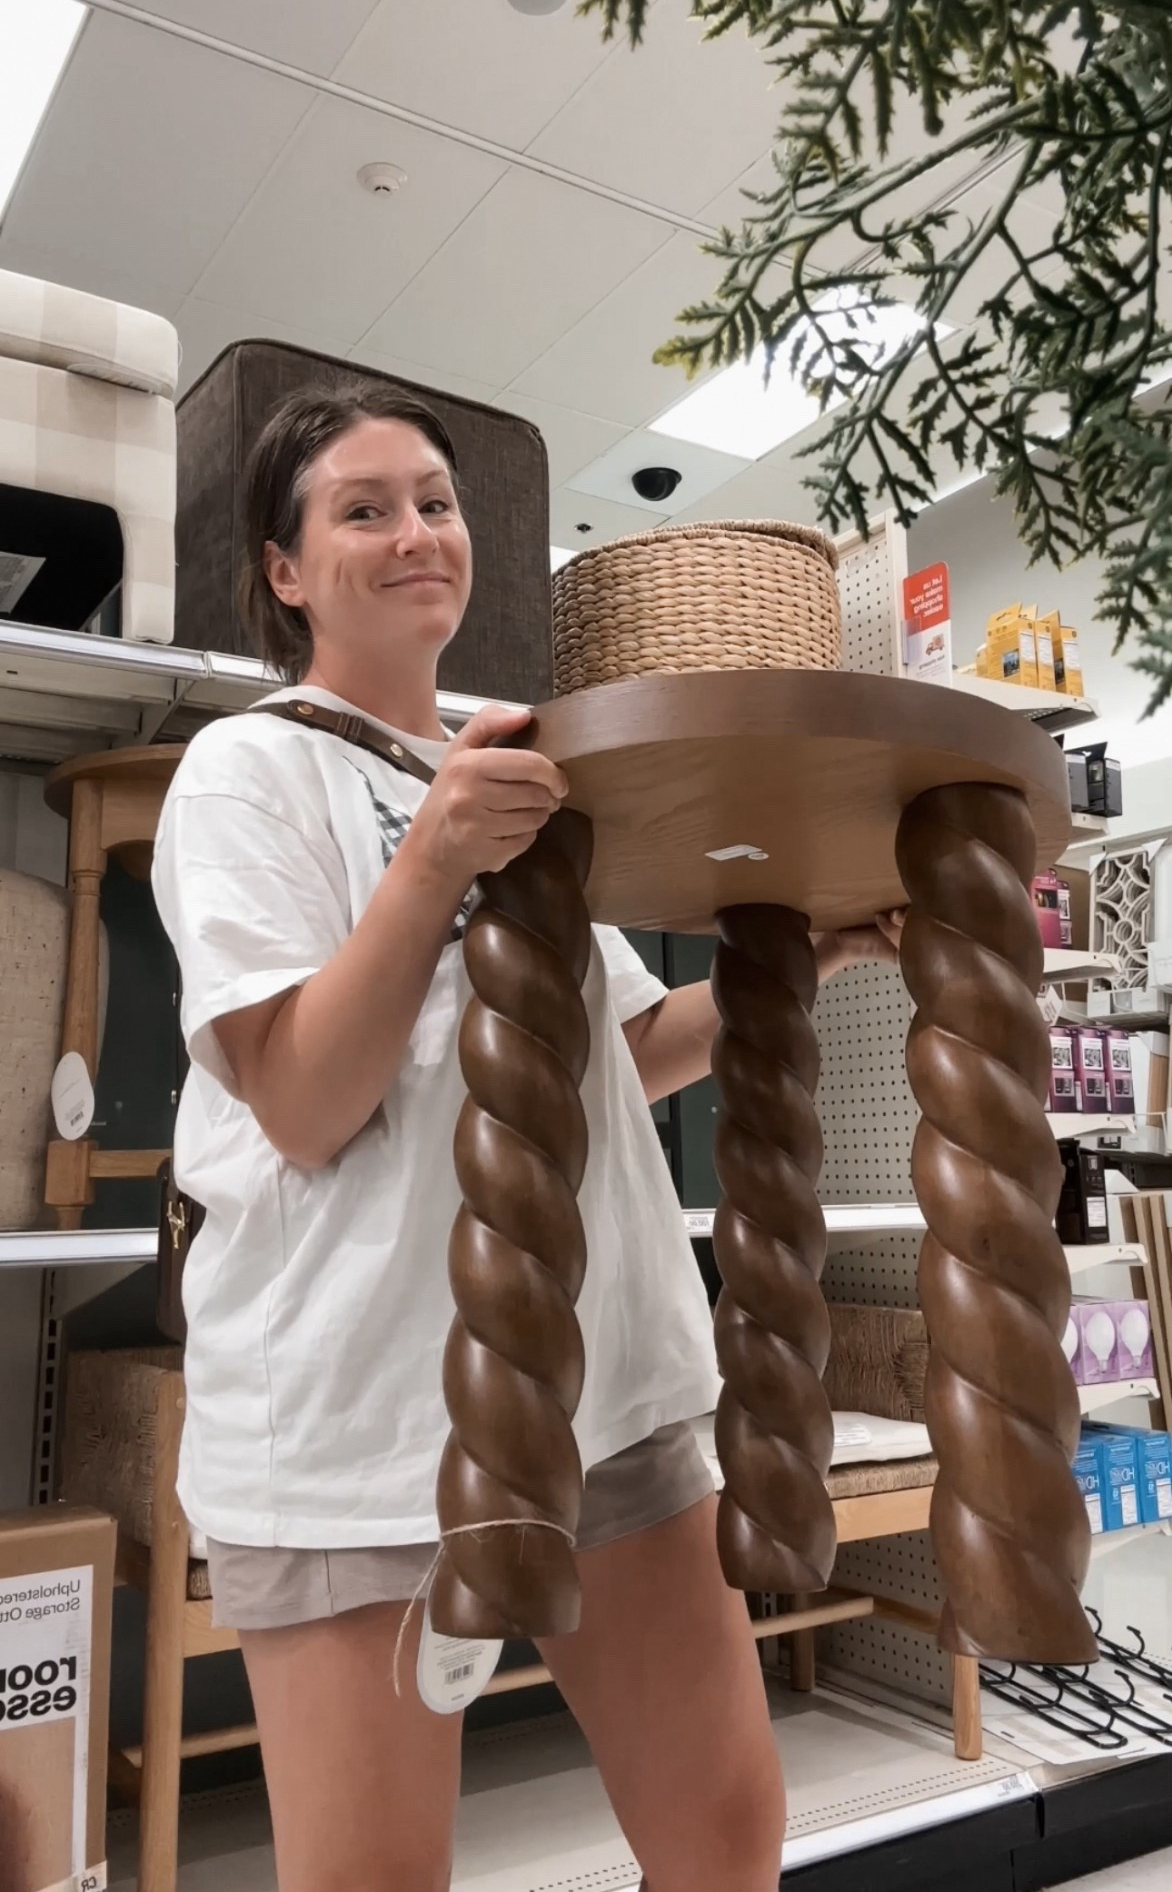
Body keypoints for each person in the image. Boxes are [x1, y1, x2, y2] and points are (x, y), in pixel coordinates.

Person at [152, 381, 903, 1892]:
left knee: (727, 1832)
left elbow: (622, 1053)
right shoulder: (248, 771)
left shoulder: (521, 779)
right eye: (364, 510)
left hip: (603, 1385)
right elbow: (299, 1099)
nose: (415, 533)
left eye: (435, 503)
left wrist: (809, 958)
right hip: (359, 1423)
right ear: (286, 570)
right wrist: (431, 861)